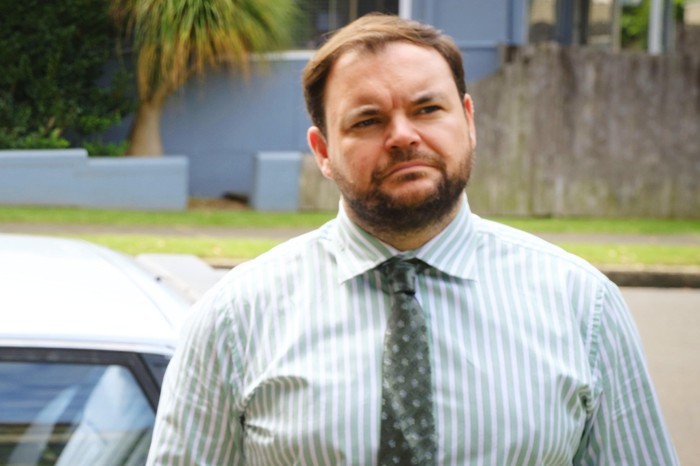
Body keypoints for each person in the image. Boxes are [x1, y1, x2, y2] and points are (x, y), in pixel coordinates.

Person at [147, 14, 679, 465]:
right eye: (368, 120)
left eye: (427, 109)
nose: (403, 135)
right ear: (323, 150)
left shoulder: (583, 306)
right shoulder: (232, 321)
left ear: (468, 121)